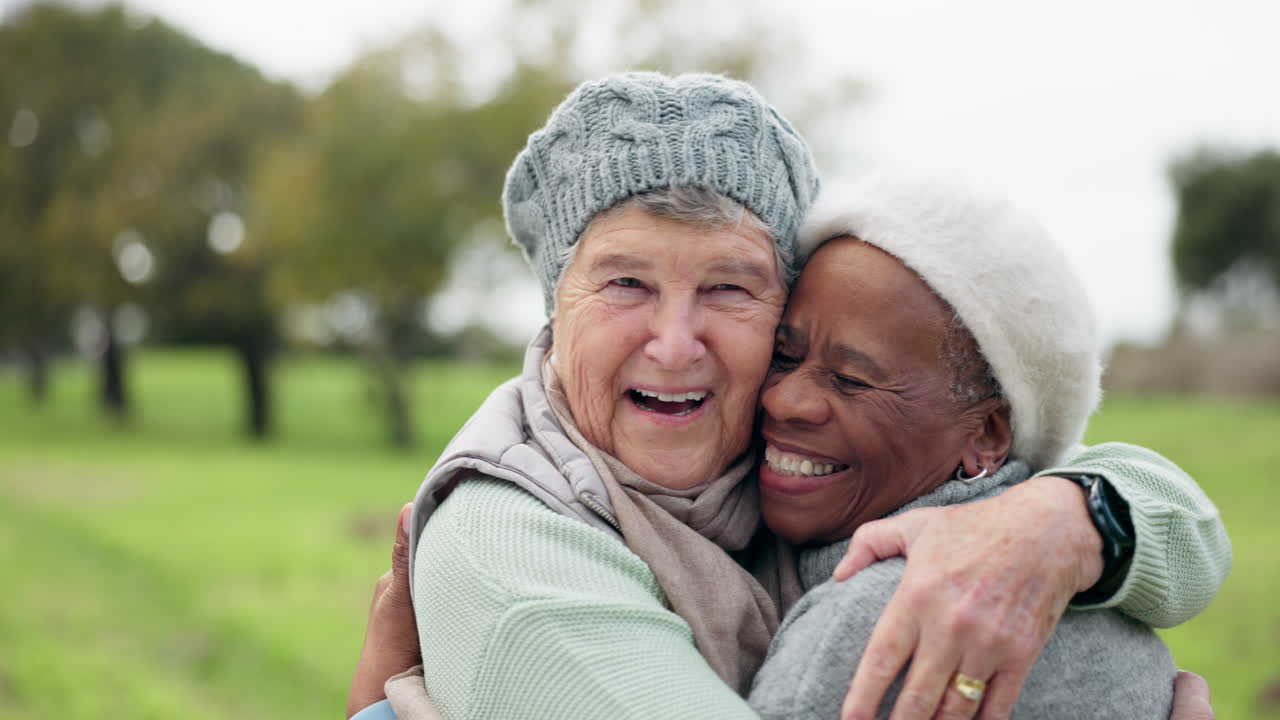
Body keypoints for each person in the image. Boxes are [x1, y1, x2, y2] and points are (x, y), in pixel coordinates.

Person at [346, 72, 1230, 720]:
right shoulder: (511, 544)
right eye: (625, 284)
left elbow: (1189, 528)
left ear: (783, 306)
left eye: (730, 288)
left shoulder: (782, 473)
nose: (675, 340)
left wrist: (1064, 524)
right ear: (554, 311)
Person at [747, 173, 1187, 718]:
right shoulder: (1089, 579)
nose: (785, 399)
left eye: (853, 380)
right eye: (784, 357)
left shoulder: (879, 622)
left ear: (987, 435)